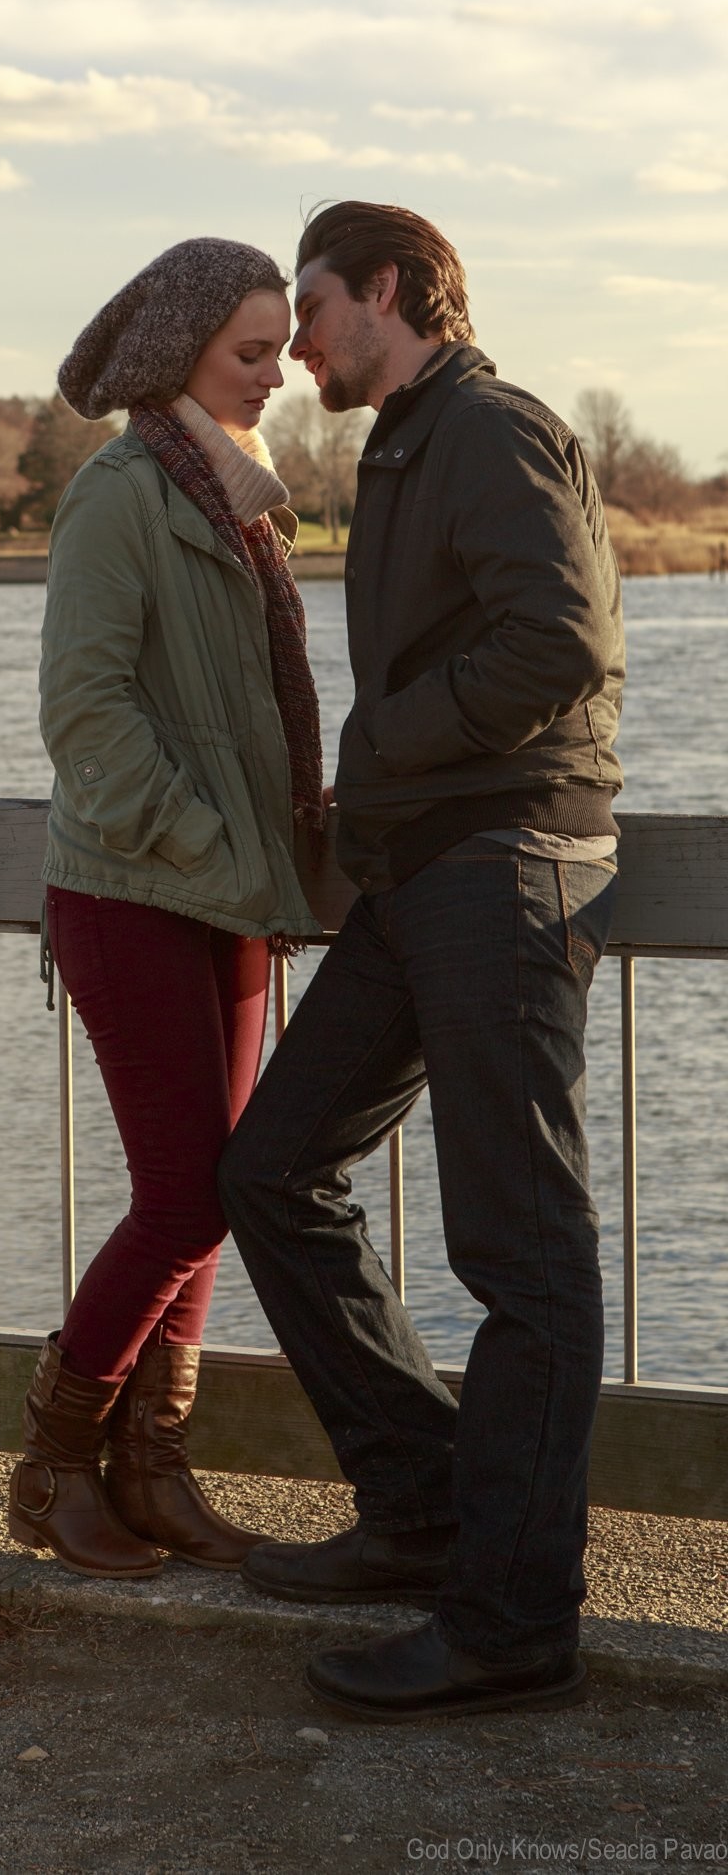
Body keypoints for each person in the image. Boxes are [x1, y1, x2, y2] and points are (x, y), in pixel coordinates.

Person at [217, 202, 624, 1719]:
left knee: (523, 1261)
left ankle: (514, 1622)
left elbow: (560, 644)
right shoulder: (401, 445)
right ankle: (427, 1510)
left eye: (314, 304)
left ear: (391, 291)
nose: (298, 338)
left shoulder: (497, 430)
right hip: (421, 873)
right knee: (270, 1168)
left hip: (505, 864)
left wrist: (385, 741)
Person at [9, 238, 326, 1579]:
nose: (278, 374)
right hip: (136, 893)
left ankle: (154, 1469)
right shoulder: (123, 491)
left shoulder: (239, 497)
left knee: (227, 1184)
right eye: (251, 351)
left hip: (234, 899)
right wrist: (206, 843)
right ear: (183, 348)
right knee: (186, 1193)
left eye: (280, 349)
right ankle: (51, 1468)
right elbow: (84, 715)